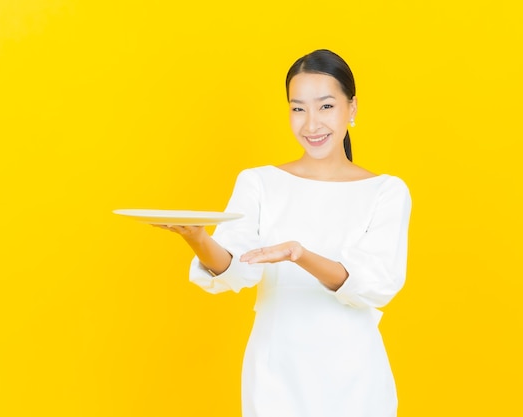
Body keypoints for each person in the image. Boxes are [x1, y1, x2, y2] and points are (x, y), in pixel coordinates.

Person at [158, 49, 411, 417]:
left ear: (352, 108)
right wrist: (196, 237)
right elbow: (237, 269)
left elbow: (375, 285)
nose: (311, 124)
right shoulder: (258, 182)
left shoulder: (386, 191)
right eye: (298, 108)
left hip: (354, 375)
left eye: (325, 106)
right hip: (275, 370)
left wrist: (301, 254)